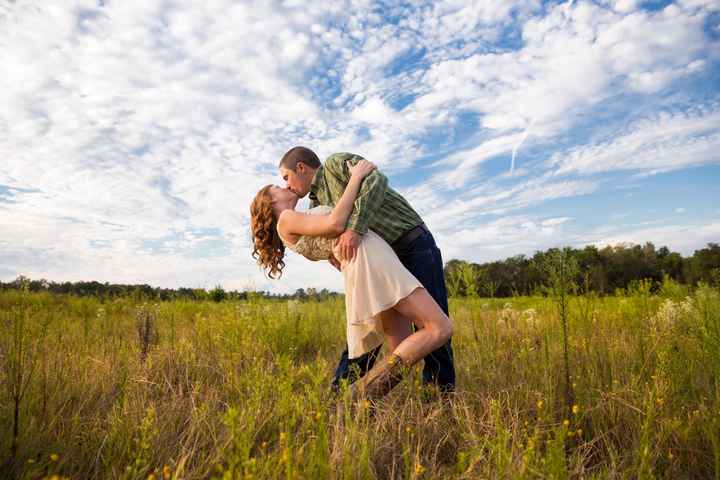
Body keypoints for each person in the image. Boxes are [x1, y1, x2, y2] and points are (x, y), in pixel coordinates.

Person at [250, 159, 452, 401]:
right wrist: (356, 177)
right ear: (272, 201)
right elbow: (335, 222)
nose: (286, 186)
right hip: (373, 259)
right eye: (279, 185)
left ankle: (361, 401)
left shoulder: (303, 213)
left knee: (402, 344)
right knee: (440, 328)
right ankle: (360, 395)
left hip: (367, 262)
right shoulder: (286, 220)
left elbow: (329, 241)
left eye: (284, 178)